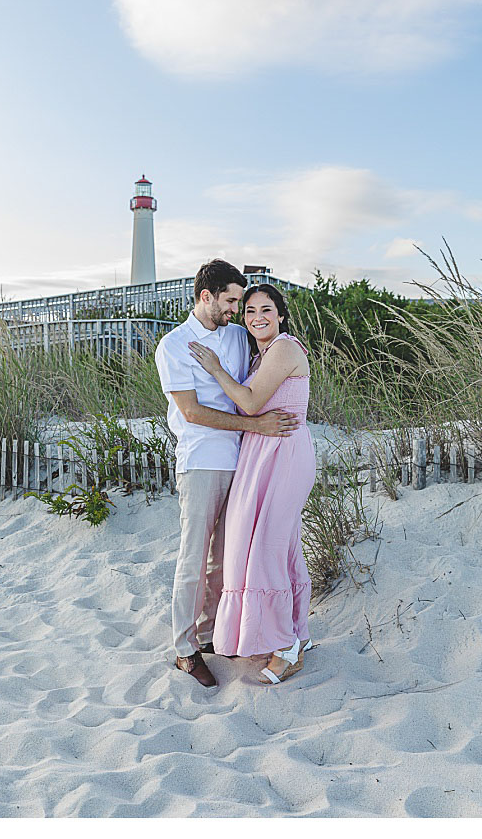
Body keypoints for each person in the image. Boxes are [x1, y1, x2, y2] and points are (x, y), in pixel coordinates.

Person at [155, 260, 298, 688]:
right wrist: (256, 425)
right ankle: (184, 650)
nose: (238, 309)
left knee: (225, 557)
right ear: (206, 296)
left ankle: (210, 633)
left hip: (244, 460)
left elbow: (263, 379)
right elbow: (192, 412)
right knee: (194, 557)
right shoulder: (174, 345)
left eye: (241, 301)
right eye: (232, 300)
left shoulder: (238, 336)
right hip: (201, 460)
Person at [189, 283, 316, 685]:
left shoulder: (284, 348)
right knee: (279, 545)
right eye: (248, 311)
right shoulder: (262, 355)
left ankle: (286, 647)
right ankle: (297, 631)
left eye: (265, 309)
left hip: (283, 453)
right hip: (261, 454)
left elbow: (250, 402)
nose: (256, 317)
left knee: (266, 546)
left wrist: (215, 369)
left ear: (280, 314)